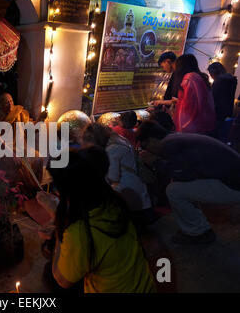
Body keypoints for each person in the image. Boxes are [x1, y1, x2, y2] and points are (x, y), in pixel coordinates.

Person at [46, 146, 156, 293]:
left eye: (56, 186)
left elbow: (62, 280)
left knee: (50, 274)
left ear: (67, 190)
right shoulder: (114, 201)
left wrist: (59, 225)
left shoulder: (80, 233)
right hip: (144, 287)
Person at [136, 120, 240, 244]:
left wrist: (154, 162)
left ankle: (198, 232)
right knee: (180, 186)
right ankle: (198, 225)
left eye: (144, 146)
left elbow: (185, 175)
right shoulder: (176, 137)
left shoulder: (169, 144)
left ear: (152, 140)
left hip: (234, 187)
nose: (146, 151)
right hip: (233, 180)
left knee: (174, 191)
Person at [82, 123, 153, 217]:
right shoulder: (119, 140)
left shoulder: (112, 149)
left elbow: (113, 177)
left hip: (127, 191)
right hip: (135, 186)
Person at [169, 54, 215, 134]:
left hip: (193, 128)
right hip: (206, 125)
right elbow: (197, 101)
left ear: (181, 66)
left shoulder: (189, 79)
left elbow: (188, 108)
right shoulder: (199, 77)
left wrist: (180, 128)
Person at [207, 62, 238, 140]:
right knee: (222, 135)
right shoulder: (231, 79)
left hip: (217, 112)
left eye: (210, 73)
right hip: (227, 111)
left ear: (214, 72)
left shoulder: (219, 81)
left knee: (213, 136)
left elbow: (213, 97)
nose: (211, 76)